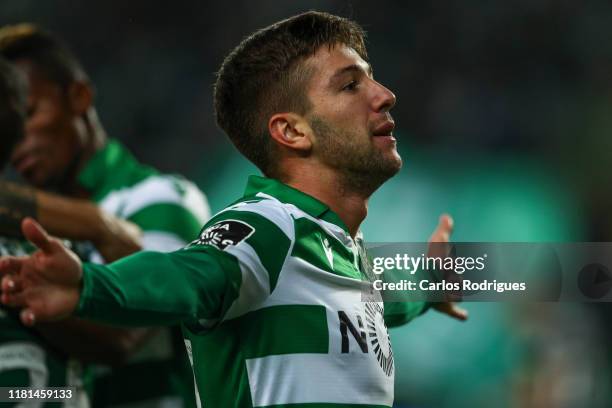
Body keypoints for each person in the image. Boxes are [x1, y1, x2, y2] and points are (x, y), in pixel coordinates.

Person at [0, 12, 466, 407]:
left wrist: (431, 286)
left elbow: (378, 301)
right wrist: (89, 285)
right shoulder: (267, 225)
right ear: (293, 132)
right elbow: (190, 275)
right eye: (350, 85)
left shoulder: (341, 253)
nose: (385, 94)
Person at [0, 24, 210, 408]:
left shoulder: (161, 199)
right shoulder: (29, 232)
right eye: (10, 129)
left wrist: (19, 290)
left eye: (29, 114)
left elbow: (125, 336)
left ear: (78, 97)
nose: (18, 144)